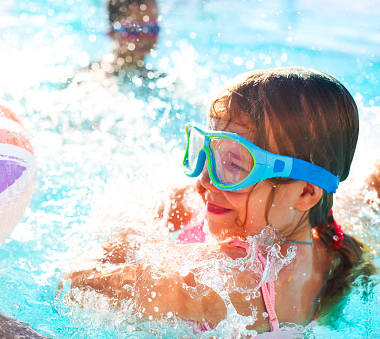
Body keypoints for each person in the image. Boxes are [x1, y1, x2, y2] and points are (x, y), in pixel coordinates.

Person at [64, 67, 375, 334]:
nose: (204, 181)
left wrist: (126, 236)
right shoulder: (332, 251)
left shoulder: (233, 279)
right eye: (208, 152)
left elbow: (77, 286)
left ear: (306, 192)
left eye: (236, 164)